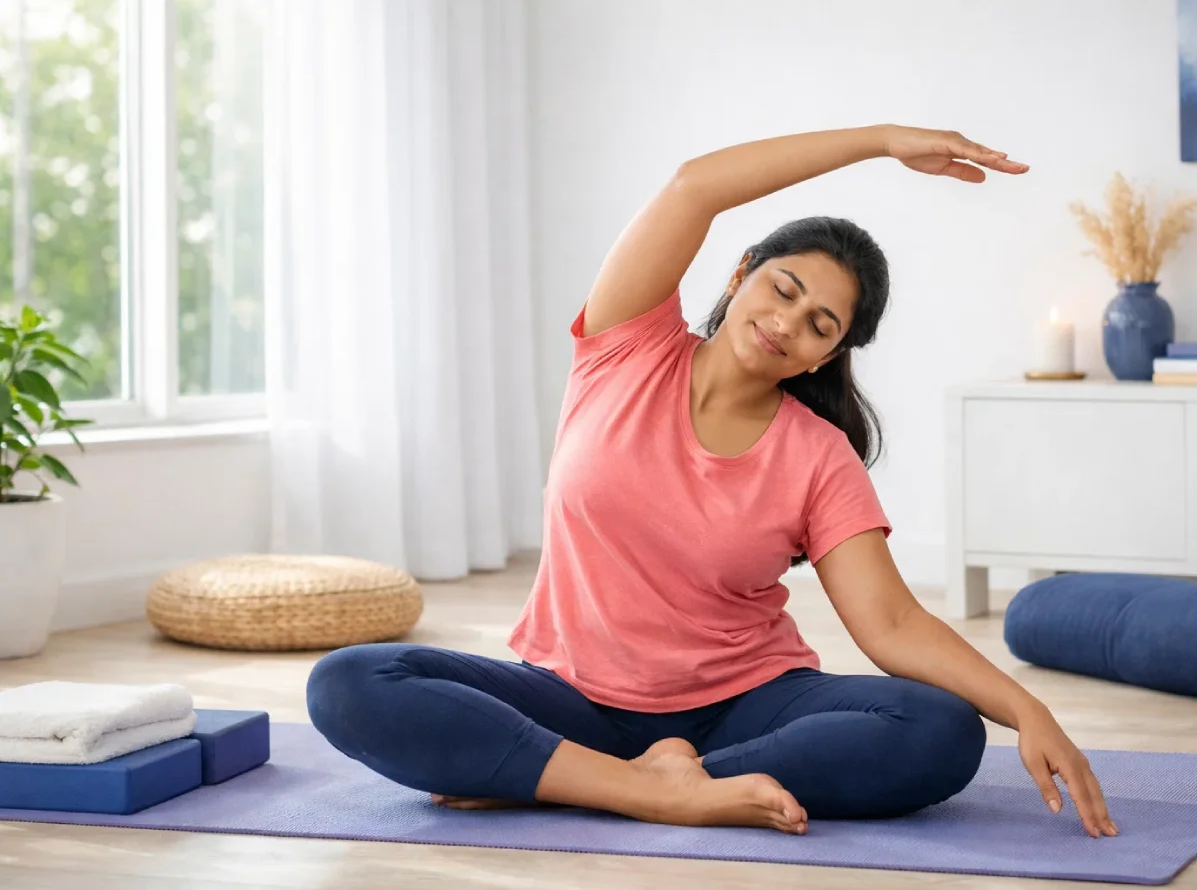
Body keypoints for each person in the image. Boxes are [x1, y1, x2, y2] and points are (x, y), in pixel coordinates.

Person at [306, 124, 1118, 839]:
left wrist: (1025, 708)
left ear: (823, 357)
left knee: (940, 729)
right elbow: (695, 184)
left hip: (744, 706)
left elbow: (893, 622)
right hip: (570, 697)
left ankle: (610, 779)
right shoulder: (624, 345)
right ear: (741, 273)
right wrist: (881, 140)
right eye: (783, 289)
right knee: (349, 681)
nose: (786, 323)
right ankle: (644, 789)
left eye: (819, 325)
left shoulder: (818, 454)